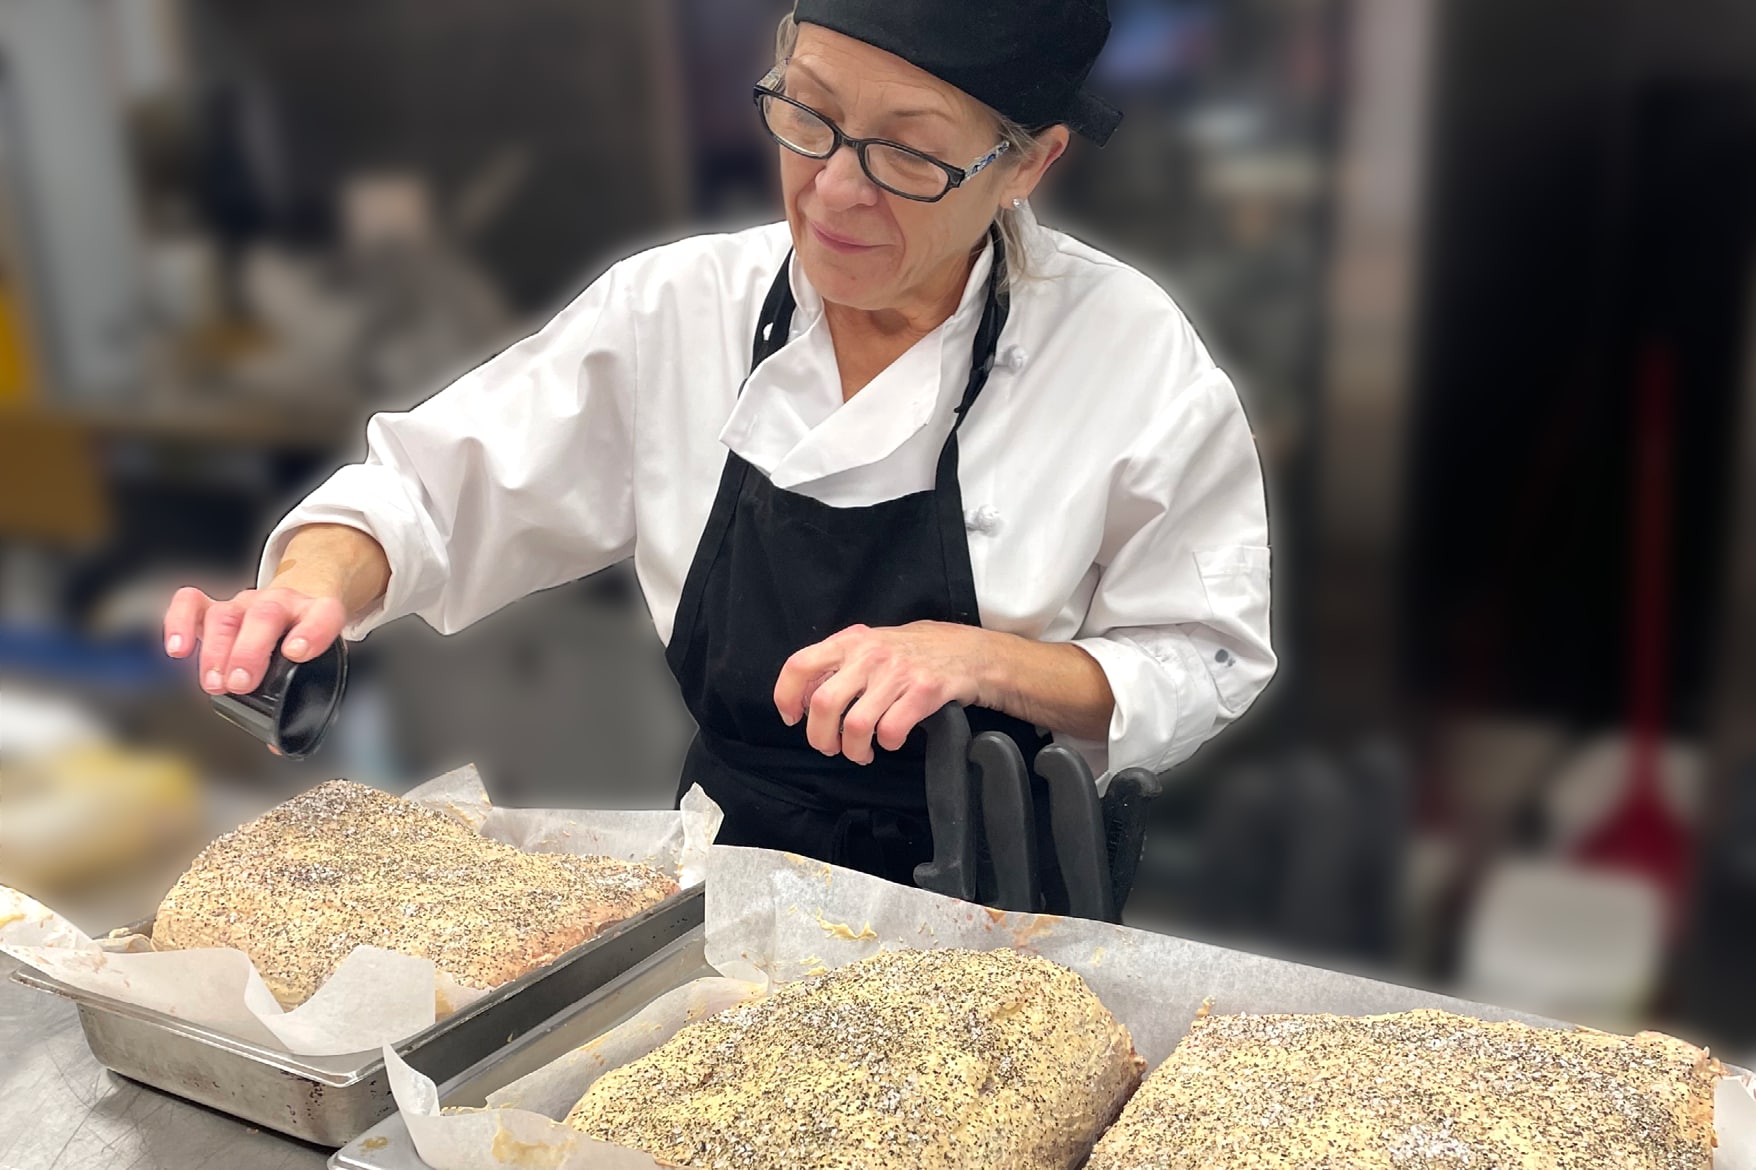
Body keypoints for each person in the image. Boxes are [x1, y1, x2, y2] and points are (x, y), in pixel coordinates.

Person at [163, 0, 1276, 887]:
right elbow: (428, 490)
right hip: (737, 884)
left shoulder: (1127, 354)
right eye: (809, 116)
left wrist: (981, 658)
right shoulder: (677, 309)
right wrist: (309, 589)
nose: (835, 187)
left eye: (908, 155)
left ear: (1026, 166)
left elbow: (1205, 656)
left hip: (1014, 904)